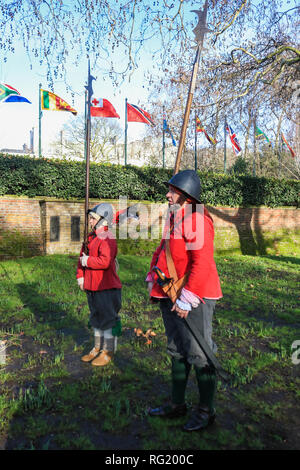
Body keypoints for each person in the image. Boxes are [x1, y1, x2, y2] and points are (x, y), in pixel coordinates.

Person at [146, 170, 223, 431]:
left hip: (194, 296)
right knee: (177, 351)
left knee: (200, 354)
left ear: (187, 197)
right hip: (171, 293)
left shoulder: (198, 220)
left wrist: (187, 297)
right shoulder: (176, 217)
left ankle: (206, 411)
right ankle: (177, 404)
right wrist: (152, 275)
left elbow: (202, 263)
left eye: (173, 191)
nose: (167, 194)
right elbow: (163, 248)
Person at [76, 203, 122, 367]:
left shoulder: (107, 237)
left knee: (107, 319)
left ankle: (108, 350)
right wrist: (80, 276)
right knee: (95, 318)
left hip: (106, 287)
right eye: (89, 218)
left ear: (103, 220)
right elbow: (80, 259)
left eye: (93, 218)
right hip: (91, 286)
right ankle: (96, 347)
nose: (89, 221)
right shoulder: (89, 238)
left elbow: (105, 261)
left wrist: (88, 261)